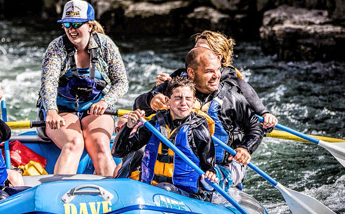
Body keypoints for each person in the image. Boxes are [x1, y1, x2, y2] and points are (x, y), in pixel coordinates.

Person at [39, 0, 128, 176]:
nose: (71, 29)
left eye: (76, 24)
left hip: (94, 108)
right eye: (67, 24)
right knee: (74, 142)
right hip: (62, 110)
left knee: (101, 144)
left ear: (90, 25)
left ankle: (112, 195)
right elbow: (48, 84)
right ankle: (59, 193)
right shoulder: (56, 48)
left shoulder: (105, 45)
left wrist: (105, 101)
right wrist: (51, 111)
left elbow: (121, 82)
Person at [134, 30, 277, 129]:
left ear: (218, 57)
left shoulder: (234, 84)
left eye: (202, 50)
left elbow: (258, 117)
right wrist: (154, 98)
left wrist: (265, 115)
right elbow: (139, 107)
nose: (195, 53)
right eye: (195, 48)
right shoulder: (181, 77)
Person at [112, 77, 218, 198]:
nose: (183, 103)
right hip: (151, 190)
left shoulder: (198, 129)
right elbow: (118, 152)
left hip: (186, 196)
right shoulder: (155, 123)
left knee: (165, 189)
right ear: (167, 101)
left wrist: (210, 176)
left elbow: (209, 168)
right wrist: (128, 126)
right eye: (178, 98)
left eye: (188, 98)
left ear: (193, 102)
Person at [185, 47, 264, 188]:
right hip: (186, 162)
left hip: (225, 165)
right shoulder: (178, 93)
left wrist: (245, 148)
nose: (216, 76)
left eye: (217, 70)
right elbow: (141, 103)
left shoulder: (233, 98)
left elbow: (255, 125)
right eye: (209, 71)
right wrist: (152, 101)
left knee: (207, 181)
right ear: (191, 73)